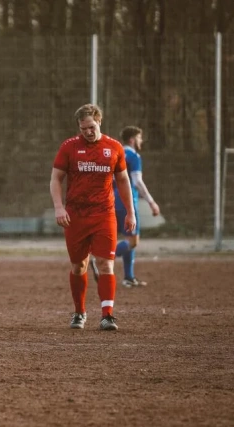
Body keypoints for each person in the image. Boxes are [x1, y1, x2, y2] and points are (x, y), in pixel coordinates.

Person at [50, 104, 136, 331]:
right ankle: (79, 312)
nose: (88, 131)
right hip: (75, 216)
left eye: (91, 127)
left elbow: (123, 181)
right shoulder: (69, 147)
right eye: (83, 128)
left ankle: (107, 315)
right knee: (79, 266)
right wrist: (59, 207)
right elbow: (56, 179)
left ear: (100, 122)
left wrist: (130, 212)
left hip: (103, 214)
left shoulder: (114, 148)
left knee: (105, 263)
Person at [111, 126, 160, 287]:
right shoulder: (134, 156)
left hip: (112, 200)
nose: (141, 141)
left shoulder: (115, 154)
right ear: (132, 139)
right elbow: (137, 182)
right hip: (128, 201)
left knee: (127, 238)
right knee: (133, 241)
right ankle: (102, 260)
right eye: (139, 138)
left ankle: (129, 277)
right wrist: (152, 202)